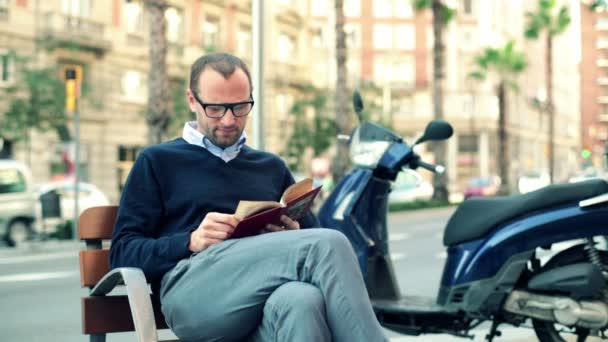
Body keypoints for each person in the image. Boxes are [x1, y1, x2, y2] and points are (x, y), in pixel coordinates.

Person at [110, 52, 387, 342]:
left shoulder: (270, 167)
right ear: (192, 100)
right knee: (329, 243)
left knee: (302, 301)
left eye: (240, 107)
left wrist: (293, 231)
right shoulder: (157, 161)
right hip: (194, 296)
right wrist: (189, 240)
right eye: (215, 108)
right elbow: (122, 253)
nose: (229, 120)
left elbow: (311, 240)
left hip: (260, 303)